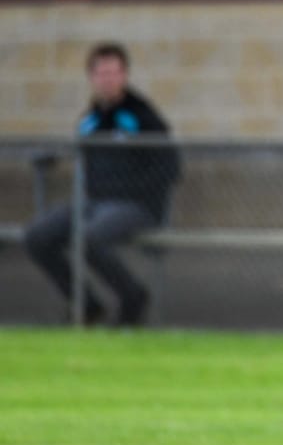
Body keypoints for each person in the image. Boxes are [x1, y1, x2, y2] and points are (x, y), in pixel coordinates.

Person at [24, 43, 179, 326]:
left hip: (135, 206)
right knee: (37, 237)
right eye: (101, 73)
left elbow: (170, 167)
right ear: (91, 77)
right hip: (93, 202)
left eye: (114, 72)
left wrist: (131, 191)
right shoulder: (89, 121)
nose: (108, 79)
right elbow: (80, 154)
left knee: (90, 238)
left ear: (124, 75)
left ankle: (133, 297)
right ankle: (87, 305)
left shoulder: (142, 117)